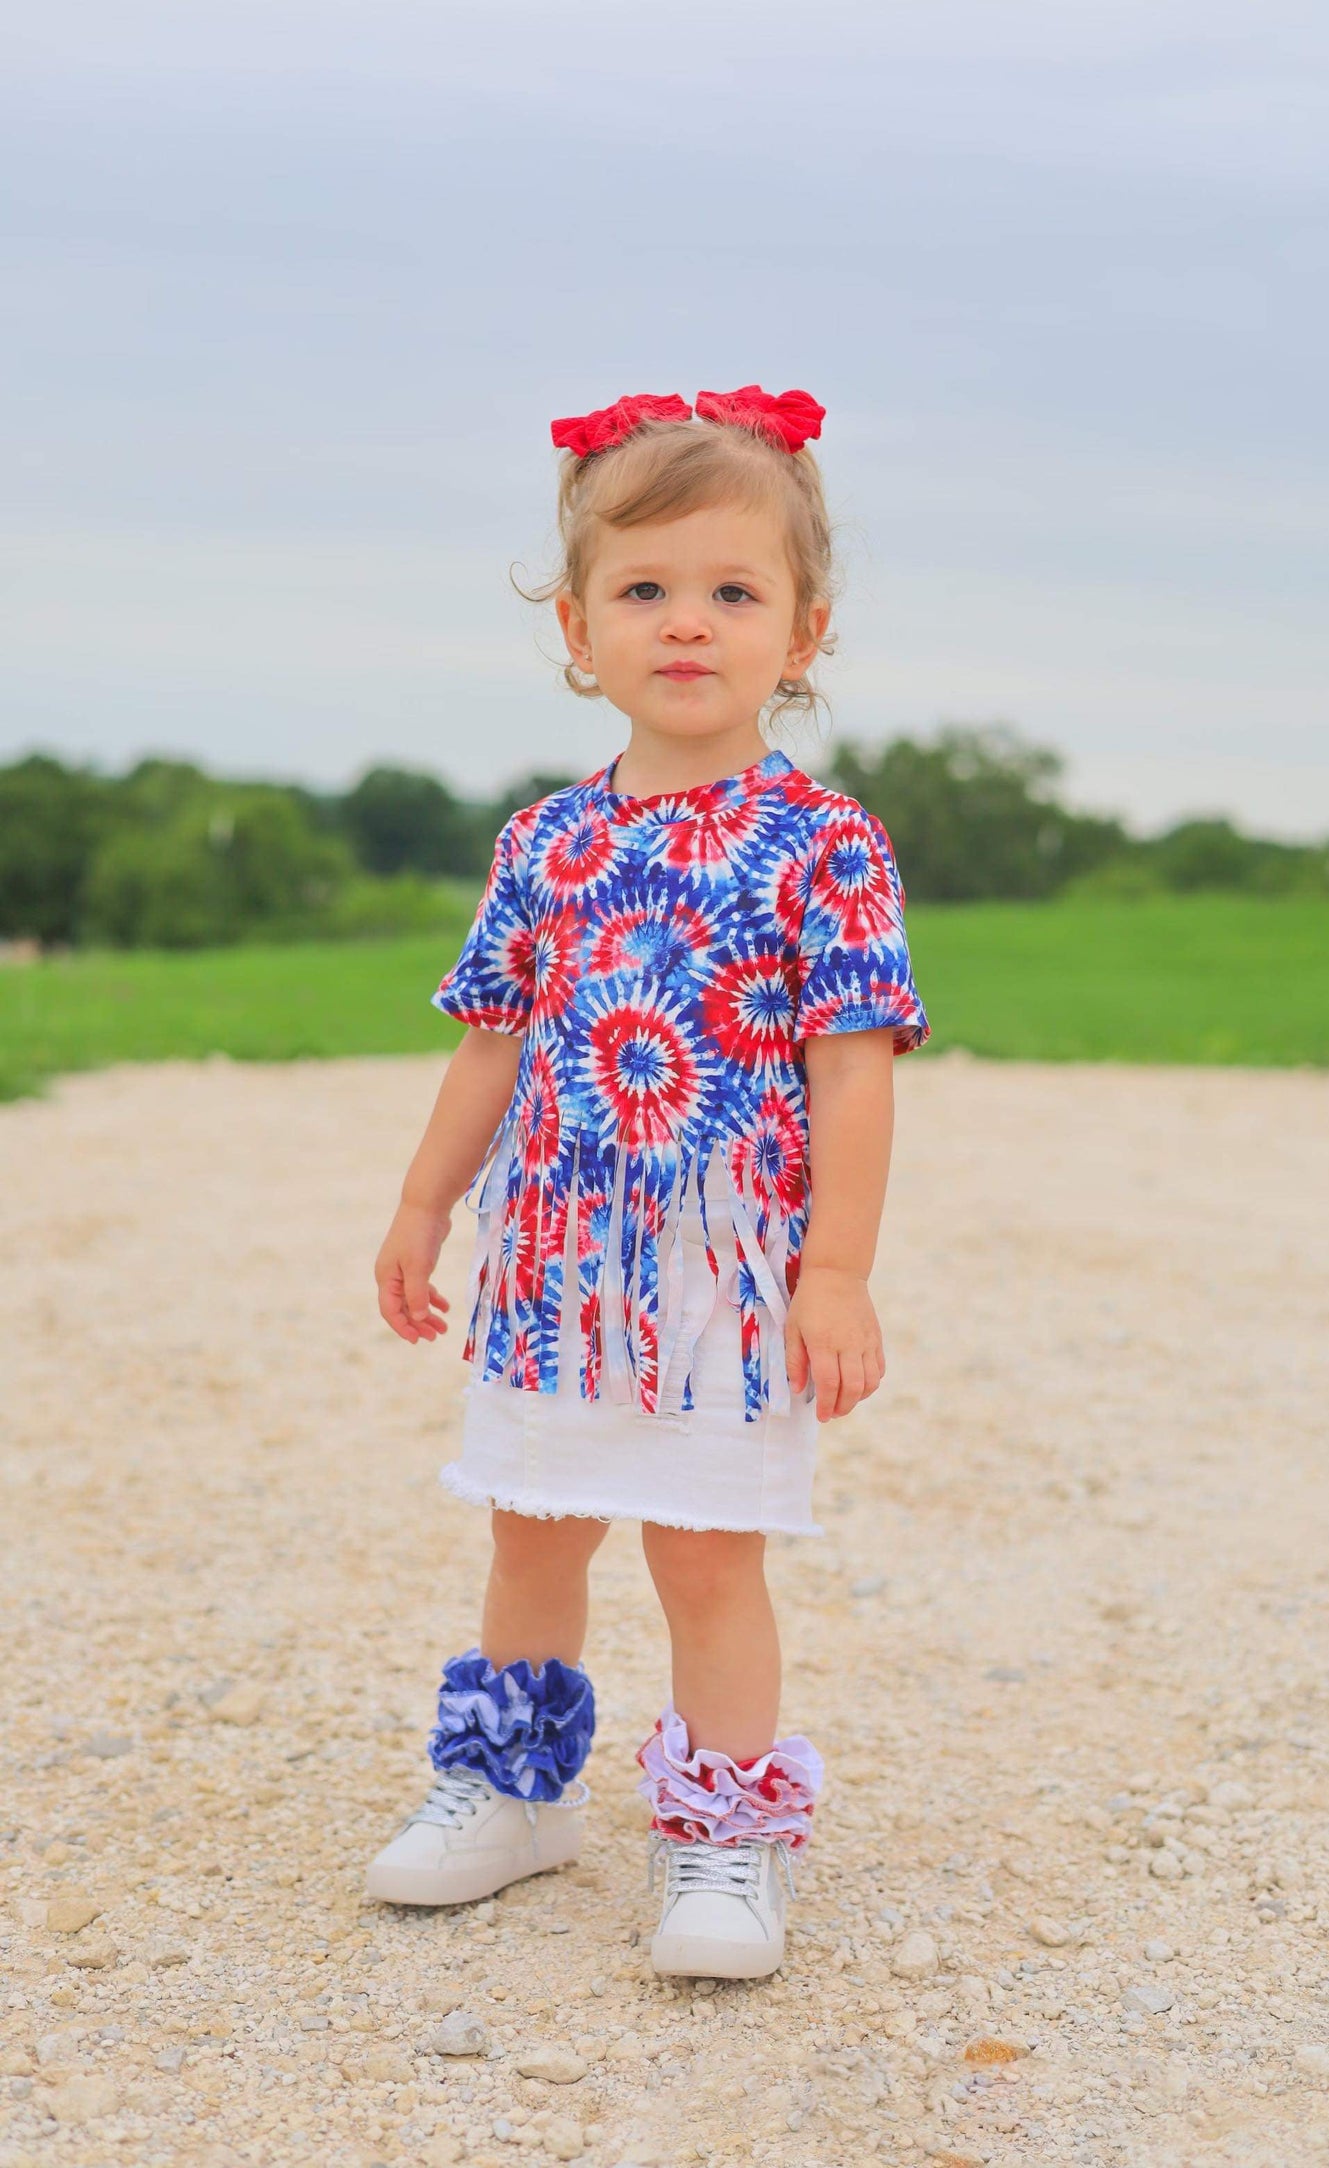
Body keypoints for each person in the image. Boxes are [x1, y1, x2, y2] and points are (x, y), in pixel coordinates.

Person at [365, 383, 930, 1979]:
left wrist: (836, 1268)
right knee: (533, 1530)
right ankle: (513, 1794)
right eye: (645, 590)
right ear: (578, 625)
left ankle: (724, 1836)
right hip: (553, 1263)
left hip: (725, 1274)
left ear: (801, 632)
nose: (688, 625)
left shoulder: (823, 842)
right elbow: (490, 1041)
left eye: (732, 593)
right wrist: (422, 1206)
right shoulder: (545, 841)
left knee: (701, 1552)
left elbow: (854, 1068)